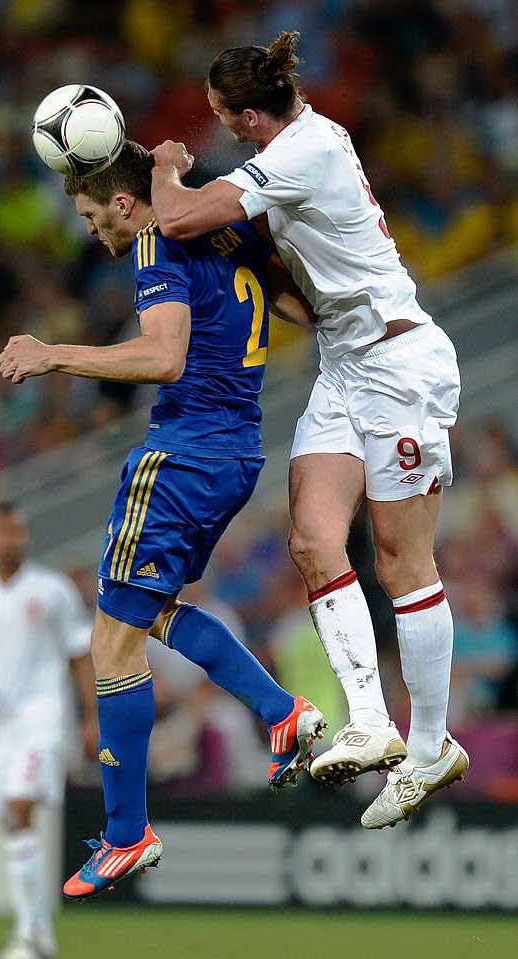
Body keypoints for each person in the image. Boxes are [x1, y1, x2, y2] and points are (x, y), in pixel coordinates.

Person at [147, 30, 469, 828]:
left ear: (251, 116)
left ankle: (431, 748)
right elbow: (279, 268)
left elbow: (181, 218)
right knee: (313, 538)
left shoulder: (308, 149)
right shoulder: (294, 152)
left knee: (402, 561)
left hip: (399, 365)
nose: (221, 130)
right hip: (344, 364)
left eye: (225, 117)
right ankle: (371, 722)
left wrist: (160, 171)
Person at [0, 140, 325, 901]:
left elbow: (164, 356)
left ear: (121, 201)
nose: (90, 233)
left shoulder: (155, 239)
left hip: (182, 455)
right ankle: (281, 713)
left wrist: (53, 355)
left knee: (109, 641)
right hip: (237, 452)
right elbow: (284, 295)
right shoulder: (216, 223)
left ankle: (125, 834)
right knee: (149, 615)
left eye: (89, 215)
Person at [0, 502, 96, 959]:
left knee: (20, 809)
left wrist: (92, 716)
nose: (7, 541)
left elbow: (78, 655)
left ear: (26, 538)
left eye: (15, 532)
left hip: (42, 718)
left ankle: (27, 936)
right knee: (9, 822)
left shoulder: (52, 591)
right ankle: (39, 934)